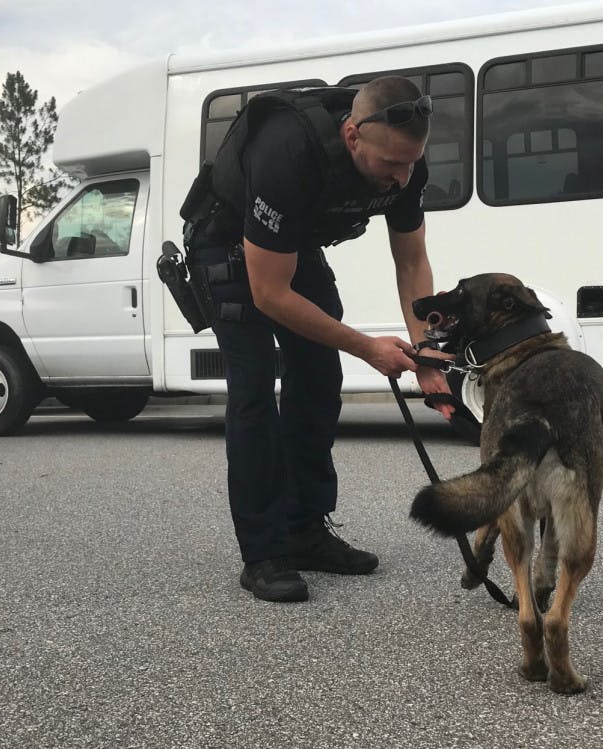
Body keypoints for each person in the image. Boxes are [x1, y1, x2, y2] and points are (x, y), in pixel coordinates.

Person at [184, 76, 453, 603]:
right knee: (255, 389)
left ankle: (305, 529)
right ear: (353, 137)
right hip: (227, 245)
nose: (401, 179)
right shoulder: (288, 150)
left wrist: (425, 352)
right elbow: (268, 294)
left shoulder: (404, 163)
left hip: (294, 245)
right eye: (390, 166)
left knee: (319, 379)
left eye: (410, 165)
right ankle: (263, 552)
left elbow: (413, 260)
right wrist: (367, 347)